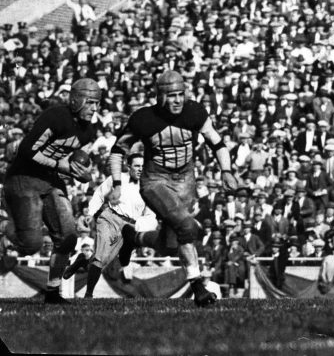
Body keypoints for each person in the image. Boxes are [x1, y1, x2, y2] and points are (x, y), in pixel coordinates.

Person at [108, 70, 238, 307]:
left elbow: (217, 141)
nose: (178, 100)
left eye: (181, 94)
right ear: (160, 97)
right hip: (155, 179)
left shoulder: (195, 112)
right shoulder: (144, 119)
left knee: (171, 244)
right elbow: (118, 150)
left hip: (186, 177)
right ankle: (198, 286)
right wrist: (117, 183)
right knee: (187, 225)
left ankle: (132, 238)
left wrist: (226, 170)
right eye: (172, 95)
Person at [3, 79, 100, 304]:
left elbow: (75, 163)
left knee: (68, 238)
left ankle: (53, 291)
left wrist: (83, 174)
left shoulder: (88, 131)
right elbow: (27, 150)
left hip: (50, 180)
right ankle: (4, 226)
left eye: (97, 103)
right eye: (91, 103)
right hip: (23, 178)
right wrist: (60, 166)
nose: (95, 109)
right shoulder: (56, 116)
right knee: (31, 245)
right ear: (76, 101)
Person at [62, 153, 155, 298]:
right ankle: (88, 295)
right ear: (128, 166)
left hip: (129, 226)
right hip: (110, 219)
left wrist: (142, 228)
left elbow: (149, 214)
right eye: (137, 166)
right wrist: (90, 213)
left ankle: (82, 261)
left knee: (103, 262)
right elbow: (99, 193)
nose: (140, 169)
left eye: (143, 166)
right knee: (100, 257)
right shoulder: (117, 179)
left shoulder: (148, 185)